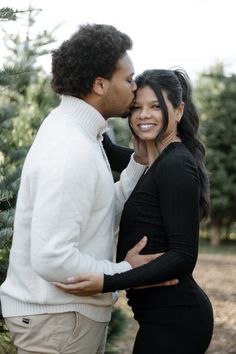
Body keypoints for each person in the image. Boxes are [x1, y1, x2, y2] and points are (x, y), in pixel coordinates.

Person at [0, 24, 175, 354]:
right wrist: (124, 271)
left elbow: (100, 212)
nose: (135, 88)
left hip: (63, 320)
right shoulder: (71, 148)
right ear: (99, 84)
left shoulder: (79, 134)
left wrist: (137, 163)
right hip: (58, 322)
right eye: (128, 79)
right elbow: (52, 257)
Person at [54, 68, 214, 354]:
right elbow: (109, 149)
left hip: (177, 321)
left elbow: (183, 256)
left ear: (178, 111)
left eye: (155, 106)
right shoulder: (154, 161)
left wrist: (108, 280)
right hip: (160, 319)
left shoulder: (176, 165)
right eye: (136, 107)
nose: (143, 115)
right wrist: (84, 92)